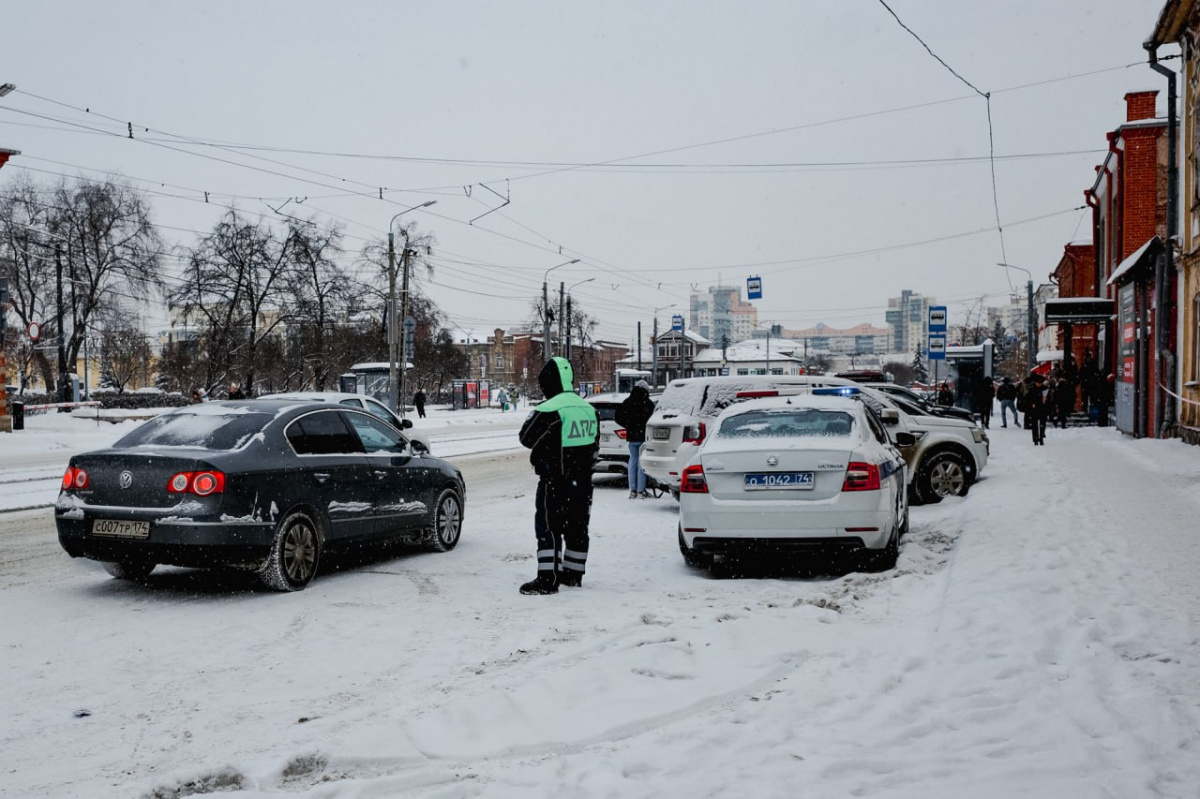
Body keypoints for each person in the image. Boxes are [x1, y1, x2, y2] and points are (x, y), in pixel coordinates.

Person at [518, 357, 599, 595]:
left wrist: (547, 452)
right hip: (583, 482)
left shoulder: (549, 409)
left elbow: (526, 437)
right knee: (577, 527)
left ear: (548, 383)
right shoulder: (588, 408)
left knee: (548, 527)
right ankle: (573, 574)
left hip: (554, 480)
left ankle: (547, 579)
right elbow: (594, 444)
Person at [615, 379, 656, 499]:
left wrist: (629, 425)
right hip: (644, 437)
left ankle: (632, 490)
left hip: (632, 436)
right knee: (641, 463)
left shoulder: (627, 402)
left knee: (632, 462)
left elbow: (618, 417)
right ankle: (641, 490)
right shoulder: (648, 403)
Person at [1022, 371, 1048, 445]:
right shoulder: (1031, 389)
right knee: (1034, 425)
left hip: (1043, 408)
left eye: (1040, 383)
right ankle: (1036, 439)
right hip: (1034, 409)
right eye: (1037, 383)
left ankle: (1041, 437)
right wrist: (1030, 405)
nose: (1039, 384)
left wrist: (1046, 401)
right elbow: (1027, 399)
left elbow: (1049, 398)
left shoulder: (1045, 389)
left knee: (1042, 424)